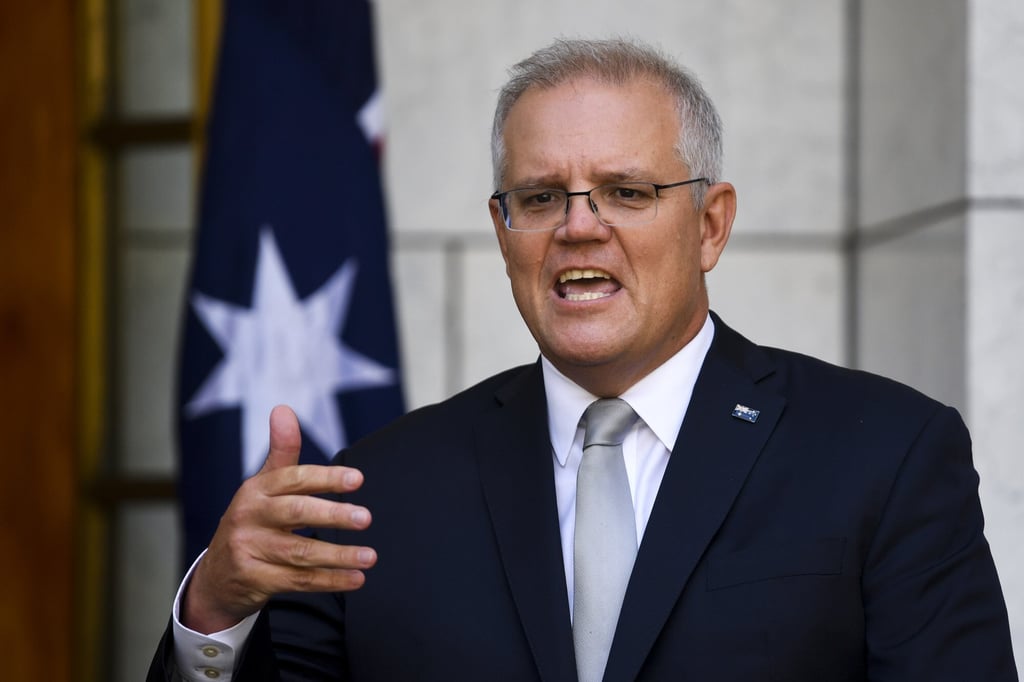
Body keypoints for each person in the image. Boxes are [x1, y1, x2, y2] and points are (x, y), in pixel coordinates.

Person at [149, 38, 1018, 681]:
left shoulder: (886, 455)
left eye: (627, 192)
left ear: (710, 225)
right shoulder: (377, 492)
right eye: (539, 196)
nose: (578, 225)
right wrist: (214, 612)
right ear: (504, 232)